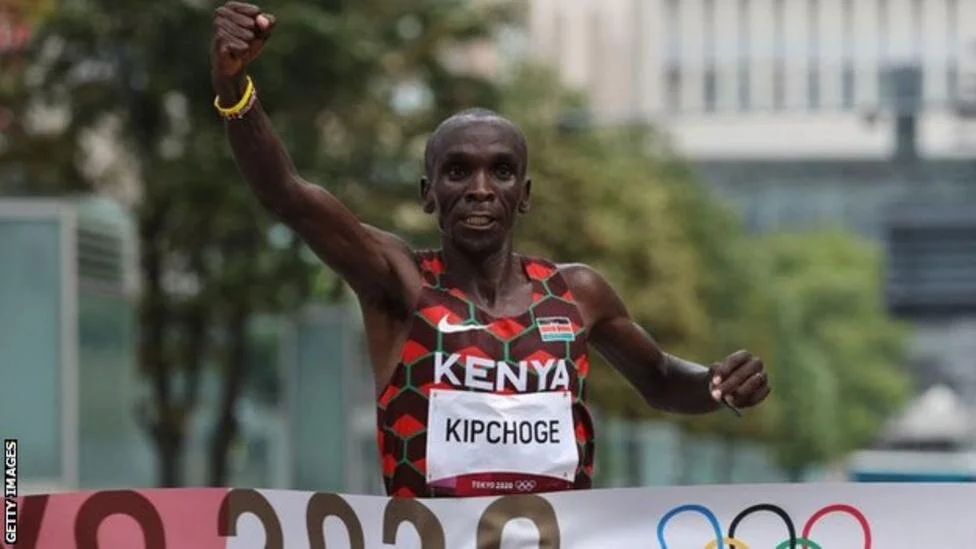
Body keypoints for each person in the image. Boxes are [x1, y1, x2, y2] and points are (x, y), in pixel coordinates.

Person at [210, 1, 771, 498]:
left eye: (500, 171)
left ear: (522, 195)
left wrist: (717, 385)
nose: (480, 188)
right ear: (429, 194)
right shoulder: (399, 281)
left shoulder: (578, 293)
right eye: (457, 171)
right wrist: (234, 88)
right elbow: (286, 192)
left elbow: (662, 379)